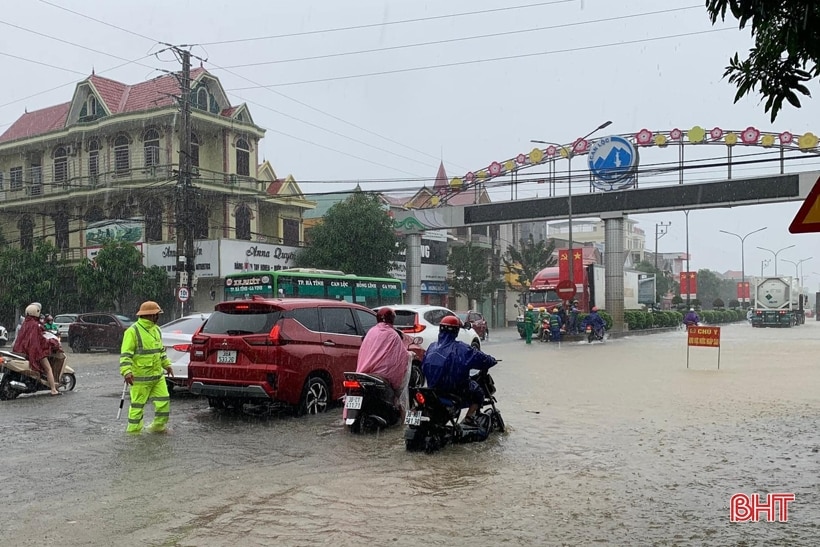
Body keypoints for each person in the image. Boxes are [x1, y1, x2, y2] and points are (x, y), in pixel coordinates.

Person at [421, 315, 497, 424]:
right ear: (456, 331)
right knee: (479, 393)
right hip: (455, 390)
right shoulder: (462, 349)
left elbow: (423, 366)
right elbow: (482, 359)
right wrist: (492, 361)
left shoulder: (432, 347)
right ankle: (469, 418)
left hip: (432, 391)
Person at [120, 301, 173, 434]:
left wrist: (167, 365)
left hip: (157, 377)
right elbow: (126, 355)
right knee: (137, 406)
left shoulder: (157, 330)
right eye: (157, 314)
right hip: (140, 378)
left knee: (164, 402)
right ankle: (133, 432)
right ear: (150, 315)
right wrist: (126, 372)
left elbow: (160, 350)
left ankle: (158, 428)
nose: (158, 317)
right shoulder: (132, 331)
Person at [355, 307, 413, 413]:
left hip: (364, 373)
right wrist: (409, 356)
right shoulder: (393, 335)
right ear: (392, 319)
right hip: (382, 376)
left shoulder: (371, 332)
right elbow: (400, 358)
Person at [13, 303, 60, 395]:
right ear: (36, 312)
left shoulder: (24, 324)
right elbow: (40, 339)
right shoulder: (36, 325)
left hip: (22, 350)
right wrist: (52, 342)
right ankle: (53, 390)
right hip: (35, 351)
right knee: (48, 369)